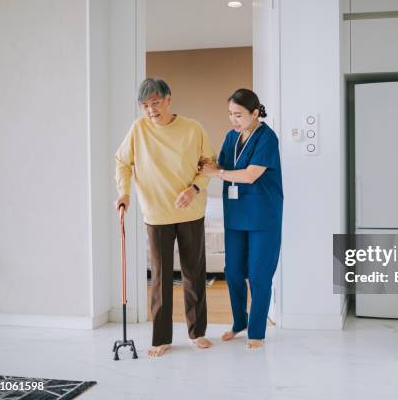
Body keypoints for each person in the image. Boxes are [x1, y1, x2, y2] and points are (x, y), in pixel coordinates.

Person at [114, 78, 215, 357]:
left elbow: (209, 165)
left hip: (190, 210)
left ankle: (197, 332)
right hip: (156, 213)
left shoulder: (193, 128)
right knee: (159, 278)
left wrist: (194, 189)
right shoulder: (138, 129)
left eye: (155, 103)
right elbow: (122, 162)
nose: (150, 110)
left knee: (193, 273)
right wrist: (124, 193)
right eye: (145, 105)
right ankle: (161, 338)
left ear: (169, 99)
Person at [202, 88, 283, 349]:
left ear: (255, 113)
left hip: (263, 216)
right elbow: (218, 164)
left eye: (238, 115)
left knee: (259, 275)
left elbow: (249, 175)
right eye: (230, 114)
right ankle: (240, 322)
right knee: (234, 272)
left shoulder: (267, 138)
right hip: (236, 215)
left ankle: (257, 332)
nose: (233, 120)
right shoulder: (231, 137)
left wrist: (218, 173)